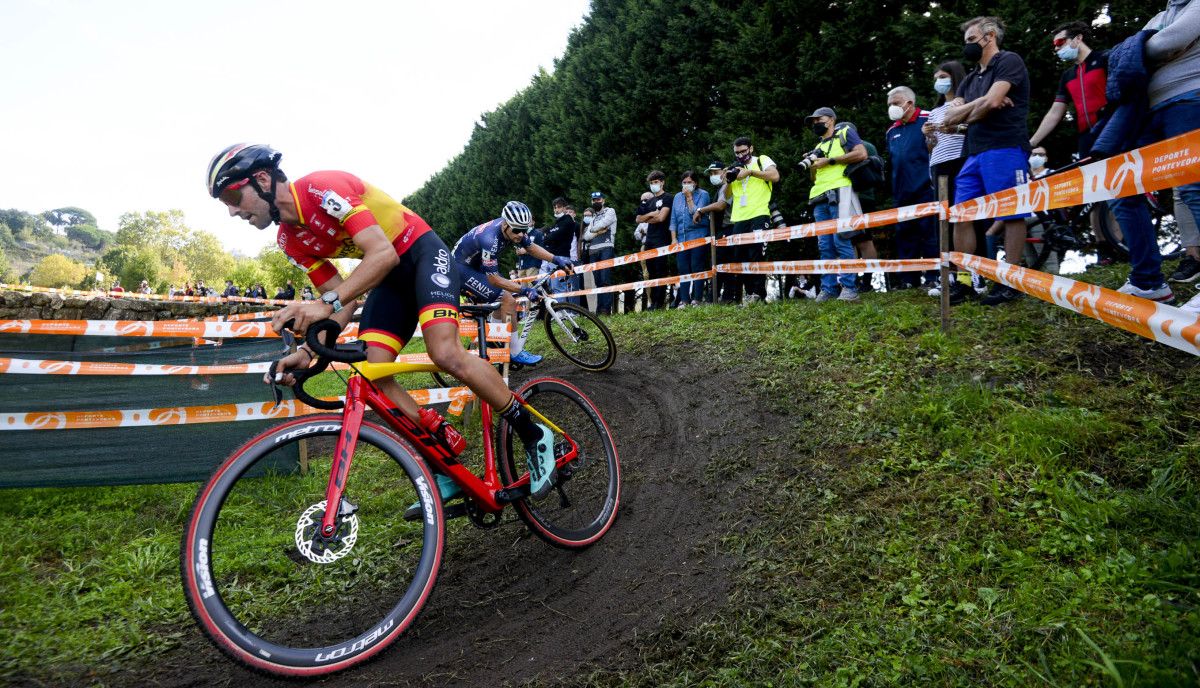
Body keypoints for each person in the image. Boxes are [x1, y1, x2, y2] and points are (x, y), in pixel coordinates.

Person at [207, 143, 561, 503]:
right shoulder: (289, 240)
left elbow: (382, 253)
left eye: (233, 196)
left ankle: (533, 434)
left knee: (445, 352)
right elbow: (340, 303)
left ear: (263, 179)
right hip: (388, 280)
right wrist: (307, 351)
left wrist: (324, 303)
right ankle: (443, 462)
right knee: (372, 373)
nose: (233, 211)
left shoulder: (321, 189)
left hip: (421, 253)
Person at [1104, 0, 1200, 304]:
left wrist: (1146, 49)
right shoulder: (1161, 14)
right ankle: (1148, 282)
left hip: (1190, 99)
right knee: (1122, 187)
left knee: (1194, 188)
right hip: (1147, 110)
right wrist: (1148, 48)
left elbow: (1167, 43)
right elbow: (1127, 53)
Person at [938, 16, 1033, 306]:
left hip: (1005, 146)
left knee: (1011, 211)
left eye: (971, 40)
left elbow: (988, 104)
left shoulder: (1009, 61)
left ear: (989, 36)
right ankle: (966, 280)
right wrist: (981, 105)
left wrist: (974, 108)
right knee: (961, 214)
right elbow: (948, 119)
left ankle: (1011, 281)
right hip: (973, 152)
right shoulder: (968, 79)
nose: (967, 46)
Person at [1029, 20, 1120, 264]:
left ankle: (1120, 243)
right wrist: (1032, 141)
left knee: (1118, 189)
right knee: (1095, 193)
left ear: (1078, 38)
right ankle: (1104, 248)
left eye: (1060, 42)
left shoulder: (1104, 59)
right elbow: (1055, 112)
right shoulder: (1068, 75)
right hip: (1086, 136)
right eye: (1054, 45)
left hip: (1111, 129)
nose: (1057, 48)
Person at [451, 200, 574, 366]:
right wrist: (524, 290)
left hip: (475, 264)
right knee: (507, 299)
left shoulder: (514, 229)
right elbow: (493, 279)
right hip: (461, 269)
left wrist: (555, 258)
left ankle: (494, 341)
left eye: (524, 230)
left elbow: (531, 247)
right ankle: (515, 352)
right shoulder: (490, 239)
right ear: (504, 225)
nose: (521, 235)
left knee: (498, 300)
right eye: (517, 230)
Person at [805, 107, 866, 302]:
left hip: (841, 191)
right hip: (818, 196)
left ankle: (849, 288)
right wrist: (813, 164)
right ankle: (828, 288)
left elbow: (861, 154)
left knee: (842, 239)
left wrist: (829, 160)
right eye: (813, 122)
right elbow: (814, 176)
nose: (816, 124)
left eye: (819, 120)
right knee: (825, 245)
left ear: (831, 120)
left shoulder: (845, 132)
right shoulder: (818, 146)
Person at [885, 86, 939, 289]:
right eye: (889, 104)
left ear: (910, 103)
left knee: (929, 233)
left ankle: (934, 276)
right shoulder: (892, 130)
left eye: (896, 103)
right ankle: (909, 279)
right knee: (905, 234)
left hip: (927, 187)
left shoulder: (929, 119)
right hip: (901, 191)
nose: (892, 108)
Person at [724, 136, 777, 304]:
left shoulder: (761, 160)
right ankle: (748, 294)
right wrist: (727, 181)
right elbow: (727, 196)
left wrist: (751, 172)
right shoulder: (734, 168)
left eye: (743, 151)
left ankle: (759, 294)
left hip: (760, 214)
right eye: (737, 152)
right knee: (739, 257)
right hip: (739, 218)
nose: (740, 155)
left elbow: (775, 176)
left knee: (757, 254)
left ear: (751, 149)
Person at [634, 171, 675, 310]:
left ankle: (659, 302)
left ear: (662, 182)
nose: (654, 185)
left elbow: (661, 218)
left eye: (656, 182)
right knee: (650, 271)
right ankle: (653, 302)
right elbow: (638, 219)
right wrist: (651, 214)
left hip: (662, 238)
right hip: (649, 240)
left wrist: (648, 217)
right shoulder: (649, 201)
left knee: (660, 270)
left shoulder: (668, 197)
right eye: (651, 183)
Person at [695, 161, 735, 303]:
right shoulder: (720, 188)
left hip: (729, 228)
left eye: (716, 172)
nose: (713, 175)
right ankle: (717, 296)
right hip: (722, 229)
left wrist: (701, 210)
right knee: (719, 264)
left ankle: (726, 297)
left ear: (724, 171)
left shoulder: (728, 186)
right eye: (711, 173)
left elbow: (721, 205)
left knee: (727, 264)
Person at [671, 171, 711, 306]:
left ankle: (697, 299)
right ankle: (684, 300)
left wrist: (689, 198)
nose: (687, 185)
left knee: (697, 266)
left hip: (698, 234)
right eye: (684, 182)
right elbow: (673, 220)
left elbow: (696, 215)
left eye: (690, 182)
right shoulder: (677, 197)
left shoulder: (703, 194)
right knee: (683, 268)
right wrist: (674, 238)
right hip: (682, 238)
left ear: (695, 183)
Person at [583, 191, 617, 315]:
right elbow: (586, 236)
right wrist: (597, 231)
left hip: (606, 248)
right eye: (594, 200)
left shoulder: (610, 211)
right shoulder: (592, 218)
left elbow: (605, 222)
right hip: (593, 251)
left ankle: (606, 309)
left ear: (603, 200)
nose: (596, 202)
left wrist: (593, 230)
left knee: (605, 279)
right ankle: (599, 309)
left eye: (598, 199)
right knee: (597, 281)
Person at [541, 197, 578, 295]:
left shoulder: (568, 221)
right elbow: (547, 239)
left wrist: (548, 237)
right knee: (551, 288)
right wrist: (548, 238)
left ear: (565, 208)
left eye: (559, 207)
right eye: (555, 208)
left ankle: (562, 310)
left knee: (559, 288)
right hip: (551, 257)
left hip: (561, 257)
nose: (556, 210)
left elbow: (554, 236)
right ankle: (556, 310)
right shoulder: (556, 223)